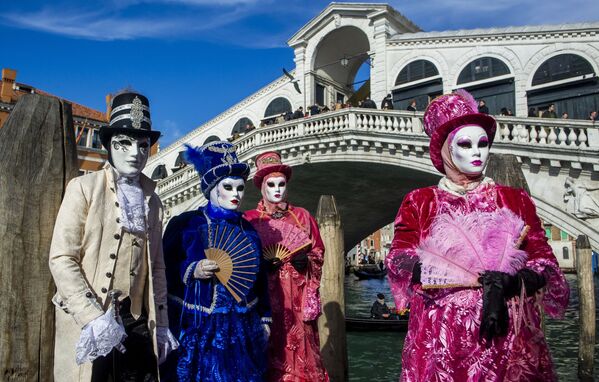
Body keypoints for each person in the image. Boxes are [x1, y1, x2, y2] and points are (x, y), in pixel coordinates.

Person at [385, 90, 569, 381]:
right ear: (446, 149)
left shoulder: (514, 199)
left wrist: (513, 282)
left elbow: (544, 262)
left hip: (507, 332)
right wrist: (439, 269)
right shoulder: (421, 201)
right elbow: (399, 259)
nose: (476, 152)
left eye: (483, 143)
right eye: (465, 144)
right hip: (441, 338)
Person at [49, 91, 178, 382]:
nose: (135, 153)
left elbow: (156, 267)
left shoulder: (153, 201)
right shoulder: (84, 188)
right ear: (108, 145)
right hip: (89, 320)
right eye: (125, 143)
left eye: (143, 145)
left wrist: (162, 324)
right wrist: (92, 317)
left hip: (136, 323)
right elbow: (61, 257)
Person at [162, 141, 270, 381]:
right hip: (198, 324)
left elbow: (259, 278)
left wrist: (265, 317)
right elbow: (163, 268)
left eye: (240, 188)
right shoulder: (187, 224)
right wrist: (192, 270)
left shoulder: (248, 230)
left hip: (241, 326)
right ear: (212, 188)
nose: (235, 195)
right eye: (228, 187)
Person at [244, 151, 328, 382]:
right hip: (266, 299)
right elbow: (241, 260)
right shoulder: (251, 219)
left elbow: (318, 251)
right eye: (271, 184)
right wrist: (261, 265)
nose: (277, 190)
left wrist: (307, 261)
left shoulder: (302, 216)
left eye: (281, 184)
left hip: (298, 298)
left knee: (301, 347)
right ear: (262, 187)